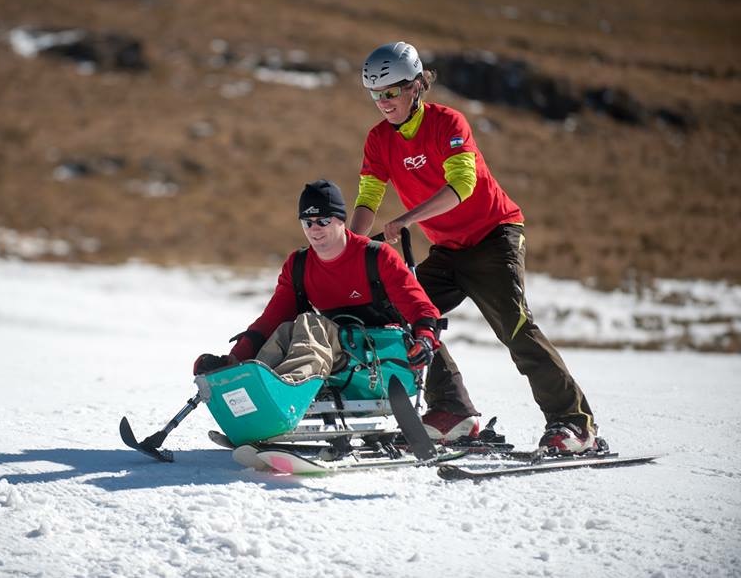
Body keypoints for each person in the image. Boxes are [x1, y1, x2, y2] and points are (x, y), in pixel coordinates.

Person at [351, 41, 598, 454]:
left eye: (391, 91)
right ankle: (452, 411)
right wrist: (352, 247)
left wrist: (407, 220)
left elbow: (462, 186)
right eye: (376, 94)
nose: (383, 102)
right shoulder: (379, 141)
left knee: (515, 327)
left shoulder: (448, 122)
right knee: (399, 313)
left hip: (494, 236)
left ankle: (574, 424)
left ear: (415, 86)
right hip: (448, 250)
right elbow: (367, 199)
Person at [194, 179, 442, 388]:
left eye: (323, 221)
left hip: (380, 354)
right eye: (307, 222)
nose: (315, 229)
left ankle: (287, 388)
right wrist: (235, 357)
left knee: (310, 324)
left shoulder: (376, 256)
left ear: (341, 220)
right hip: (330, 353)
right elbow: (272, 319)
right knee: (285, 331)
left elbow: (417, 303)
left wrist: (425, 338)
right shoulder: (299, 265)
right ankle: (243, 381)